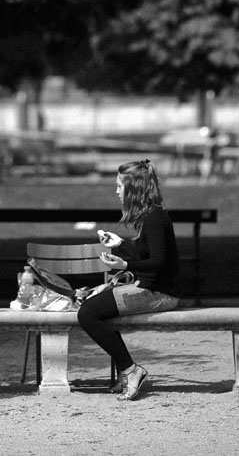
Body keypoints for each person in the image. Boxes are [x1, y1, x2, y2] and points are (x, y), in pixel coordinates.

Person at [77, 159, 180, 401]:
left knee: (88, 313)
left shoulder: (155, 218)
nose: (116, 191)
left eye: (120, 186)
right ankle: (128, 371)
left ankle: (131, 371)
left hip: (160, 293)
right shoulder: (151, 216)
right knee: (95, 308)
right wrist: (120, 245)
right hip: (150, 288)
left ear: (133, 189)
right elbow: (147, 255)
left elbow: (159, 262)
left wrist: (124, 265)